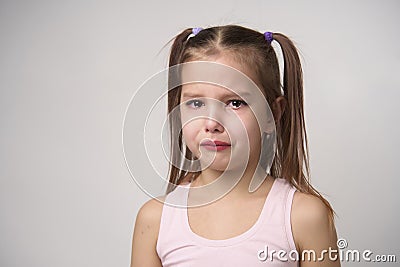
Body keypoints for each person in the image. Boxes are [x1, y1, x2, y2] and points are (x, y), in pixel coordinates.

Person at [131, 25, 340, 266]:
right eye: (196, 103)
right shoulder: (155, 220)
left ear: (273, 113)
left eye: (234, 103)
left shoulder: (302, 216)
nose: (211, 123)